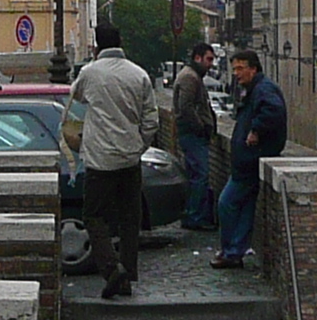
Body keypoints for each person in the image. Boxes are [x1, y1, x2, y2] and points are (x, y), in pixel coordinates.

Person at [63, 23, 156, 301]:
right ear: (121, 42)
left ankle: (111, 268)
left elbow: (75, 95)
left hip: (100, 160)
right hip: (129, 158)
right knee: (130, 218)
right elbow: (151, 120)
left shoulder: (90, 73)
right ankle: (128, 272)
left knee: (93, 216)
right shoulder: (138, 74)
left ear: (96, 45)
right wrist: (139, 146)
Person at [211, 49, 287, 270]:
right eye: (234, 69)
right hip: (248, 162)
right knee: (244, 209)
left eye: (240, 68)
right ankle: (235, 251)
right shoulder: (257, 89)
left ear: (253, 69)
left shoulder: (263, 89)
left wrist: (256, 130)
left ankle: (231, 251)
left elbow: (274, 111)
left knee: (226, 204)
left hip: (250, 162)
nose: (236, 73)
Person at [171, 42, 219, 231]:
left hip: (190, 134)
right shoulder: (190, 78)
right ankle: (195, 216)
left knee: (195, 175)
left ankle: (194, 215)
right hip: (192, 135)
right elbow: (186, 108)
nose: (210, 64)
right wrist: (201, 127)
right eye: (208, 59)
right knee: (200, 175)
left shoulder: (190, 76)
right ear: (197, 58)